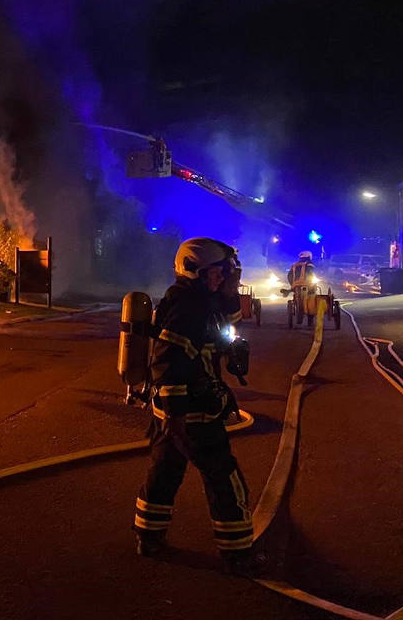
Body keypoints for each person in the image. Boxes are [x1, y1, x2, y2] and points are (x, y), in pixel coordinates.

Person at [133, 237, 262, 576]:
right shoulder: (188, 307)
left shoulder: (196, 299)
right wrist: (178, 414)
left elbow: (229, 319)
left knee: (164, 473)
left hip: (173, 410)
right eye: (219, 273)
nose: (223, 278)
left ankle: (148, 537)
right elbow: (166, 361)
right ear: (196, 271)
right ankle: (238, 553)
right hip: (192, 411)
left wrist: (230, 288)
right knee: (225, 478)